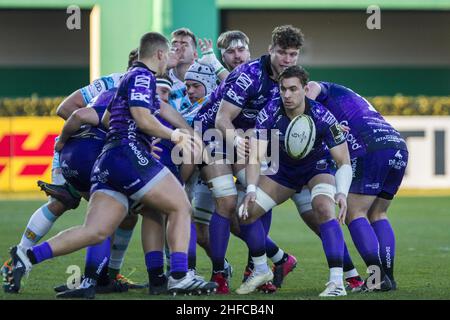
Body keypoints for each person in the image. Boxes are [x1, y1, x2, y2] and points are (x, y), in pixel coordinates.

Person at [5, 32, 216, 296]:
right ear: (159, 54)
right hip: (127, 156)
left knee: (95, 230)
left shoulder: (125, 78)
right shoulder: (143, 76)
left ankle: (26, 257)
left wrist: (133, 134)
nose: (169, 64)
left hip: (107, 160)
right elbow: (141, 116)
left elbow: (107, 117)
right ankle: (179, 276)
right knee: (181, 206)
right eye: (168, 56)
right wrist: (171, 135)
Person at [192, 25, 304, 293]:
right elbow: (221, 118)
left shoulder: (291, 80)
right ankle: (219, 273)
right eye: (282, 53)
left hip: (250, 137)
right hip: (215, 134)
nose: (287, 60)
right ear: (270, 50)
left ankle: (256, 267)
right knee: (226, 200)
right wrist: (240, 142)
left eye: (293, 54)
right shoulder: (248, 75)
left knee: (260, 200)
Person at [238, 65, 352, 297]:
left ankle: (337, 283)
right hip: (284, 171)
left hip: (316, 168)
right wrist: (250, 188)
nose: (287, 95)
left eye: (293, 89)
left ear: (305, 89)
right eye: (283, 89)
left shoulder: (322, 116)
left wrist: (341, 192)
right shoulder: (270, 111)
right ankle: (260, 269)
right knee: (245, 212)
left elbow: (344, 161)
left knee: (323, 208)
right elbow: (256, 156)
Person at [292, 80, 408, 291]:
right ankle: (386, 278)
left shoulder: (315, 86)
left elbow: (312, 89)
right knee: (378, 214)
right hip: (396, 144)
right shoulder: (346, 94)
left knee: (355, 213)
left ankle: (377, 279)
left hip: (369, 147)